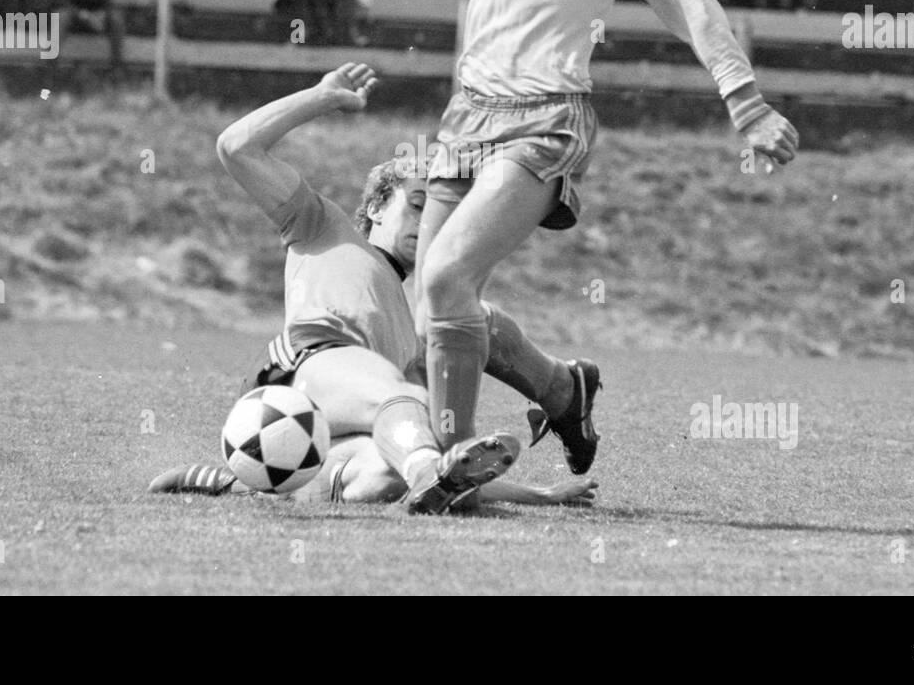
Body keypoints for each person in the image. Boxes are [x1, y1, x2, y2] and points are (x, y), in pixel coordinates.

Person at [302, 0, 798, 452]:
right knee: (431, 302)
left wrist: (745, 100)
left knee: (443, 276)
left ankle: (453, 457)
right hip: (467, 117)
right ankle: (564, 390)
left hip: (546, 117)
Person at [155, 63, 600, 512]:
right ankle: (560, 389)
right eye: (418, 204)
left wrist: (542, 496)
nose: (428, 222)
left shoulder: (416, 322)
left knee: (390, 469)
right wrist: (323, 97)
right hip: (307, 371)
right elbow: (236, 147)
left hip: (339, 422)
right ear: (376, 206)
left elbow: (446, 465)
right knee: (407, 399)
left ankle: (235, 482)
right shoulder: (322, 226)